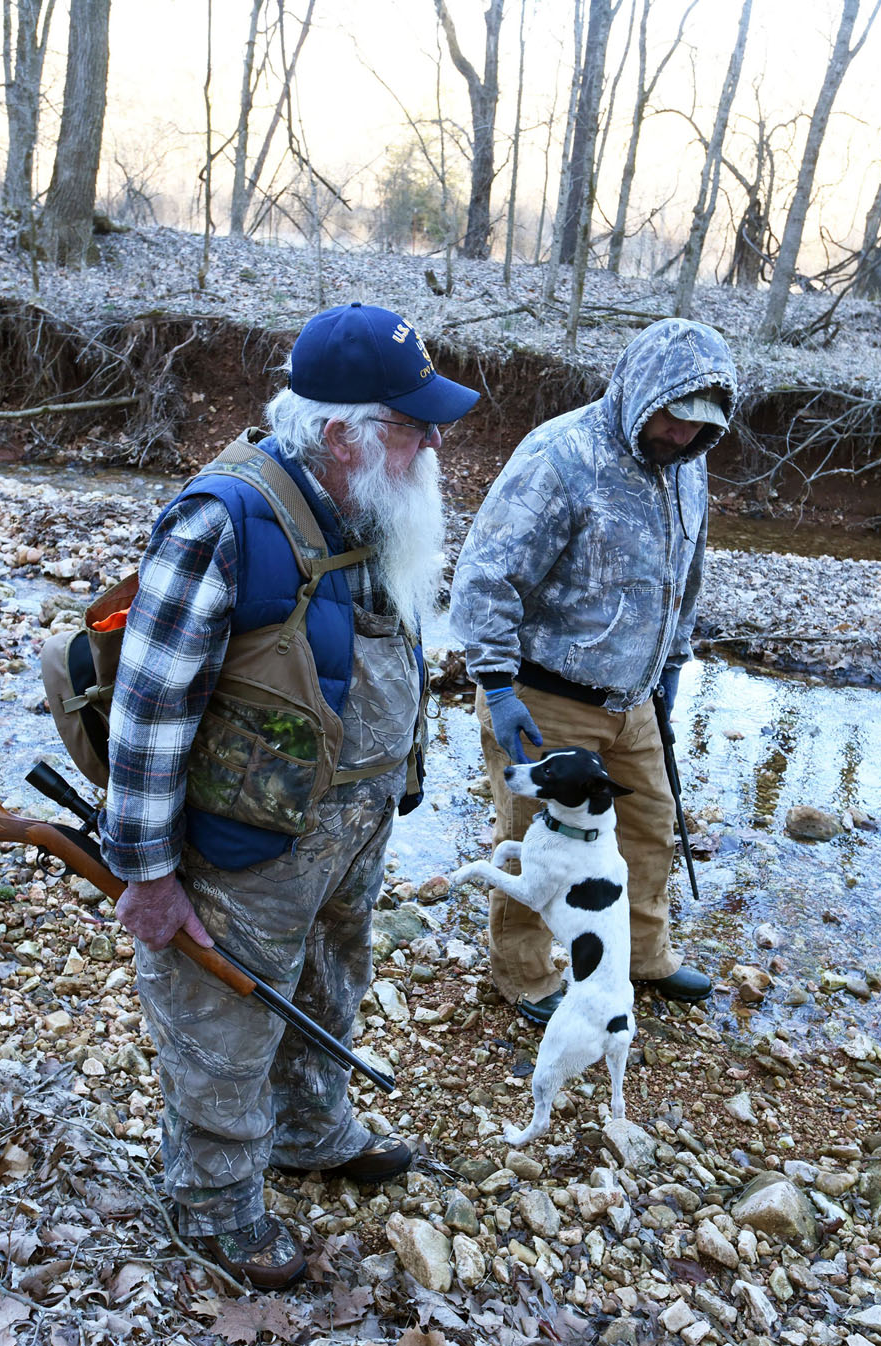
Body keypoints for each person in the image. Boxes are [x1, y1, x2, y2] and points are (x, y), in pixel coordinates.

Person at [100, 302, 479, 1290]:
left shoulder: (370, 508)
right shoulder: (220, 523)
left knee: (328, 983)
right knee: (223, 1026)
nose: (434, 441)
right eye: (412, 424)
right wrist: (143, 873)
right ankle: (212, 1207)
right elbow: (147, 710)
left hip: (343, 832)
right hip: (240, 852)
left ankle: (313, 1129)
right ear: (341, 431)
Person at [449, 317, 737, 1024]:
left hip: (632, 699)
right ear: (643, 393)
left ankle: (643, 954)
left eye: (700, 424)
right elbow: (485, 578)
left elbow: (684, 575)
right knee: (536, 844)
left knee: (649, 827)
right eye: (673, 417)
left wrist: (671, 664)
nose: (681, 434)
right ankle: (524, 976)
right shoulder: (561, 454)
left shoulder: (687, 465)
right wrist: (494, 684)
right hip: (542, 697)